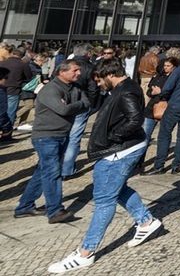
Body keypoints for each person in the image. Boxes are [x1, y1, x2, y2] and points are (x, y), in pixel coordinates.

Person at [46, 59, 161, 273]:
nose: (98, 85)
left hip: (117, 151)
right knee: (115, 190)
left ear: (109, 74)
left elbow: (135, 120)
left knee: (104, 200)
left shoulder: (125, 91)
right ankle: (146, 222)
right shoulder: (125, 87)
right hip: (118, 149)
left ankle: (85, 253)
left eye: (99, 80)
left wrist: (112, 138)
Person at [14, 60, 88, 223]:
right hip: (46, 137)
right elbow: (63, 109)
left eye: (79, 70)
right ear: (62, 71)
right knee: (53, 172)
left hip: (62, 135)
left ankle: (24, 206)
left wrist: (74, 105)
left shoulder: (75, 88)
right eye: (75, 70)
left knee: (43, 171)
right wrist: (77, 105)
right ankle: (55, 211)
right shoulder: (50, 89)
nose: (79, 73)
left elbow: (86, 104)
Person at [62, 45, 100, 179]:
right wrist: (92, 105)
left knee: (63, 134)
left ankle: (59, 165)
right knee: (74, 137)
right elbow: (93, 88)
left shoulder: (64, 65)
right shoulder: (90, 68)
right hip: (81, 104)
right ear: (88, 54)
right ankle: (66, 169)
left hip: (65, 103)